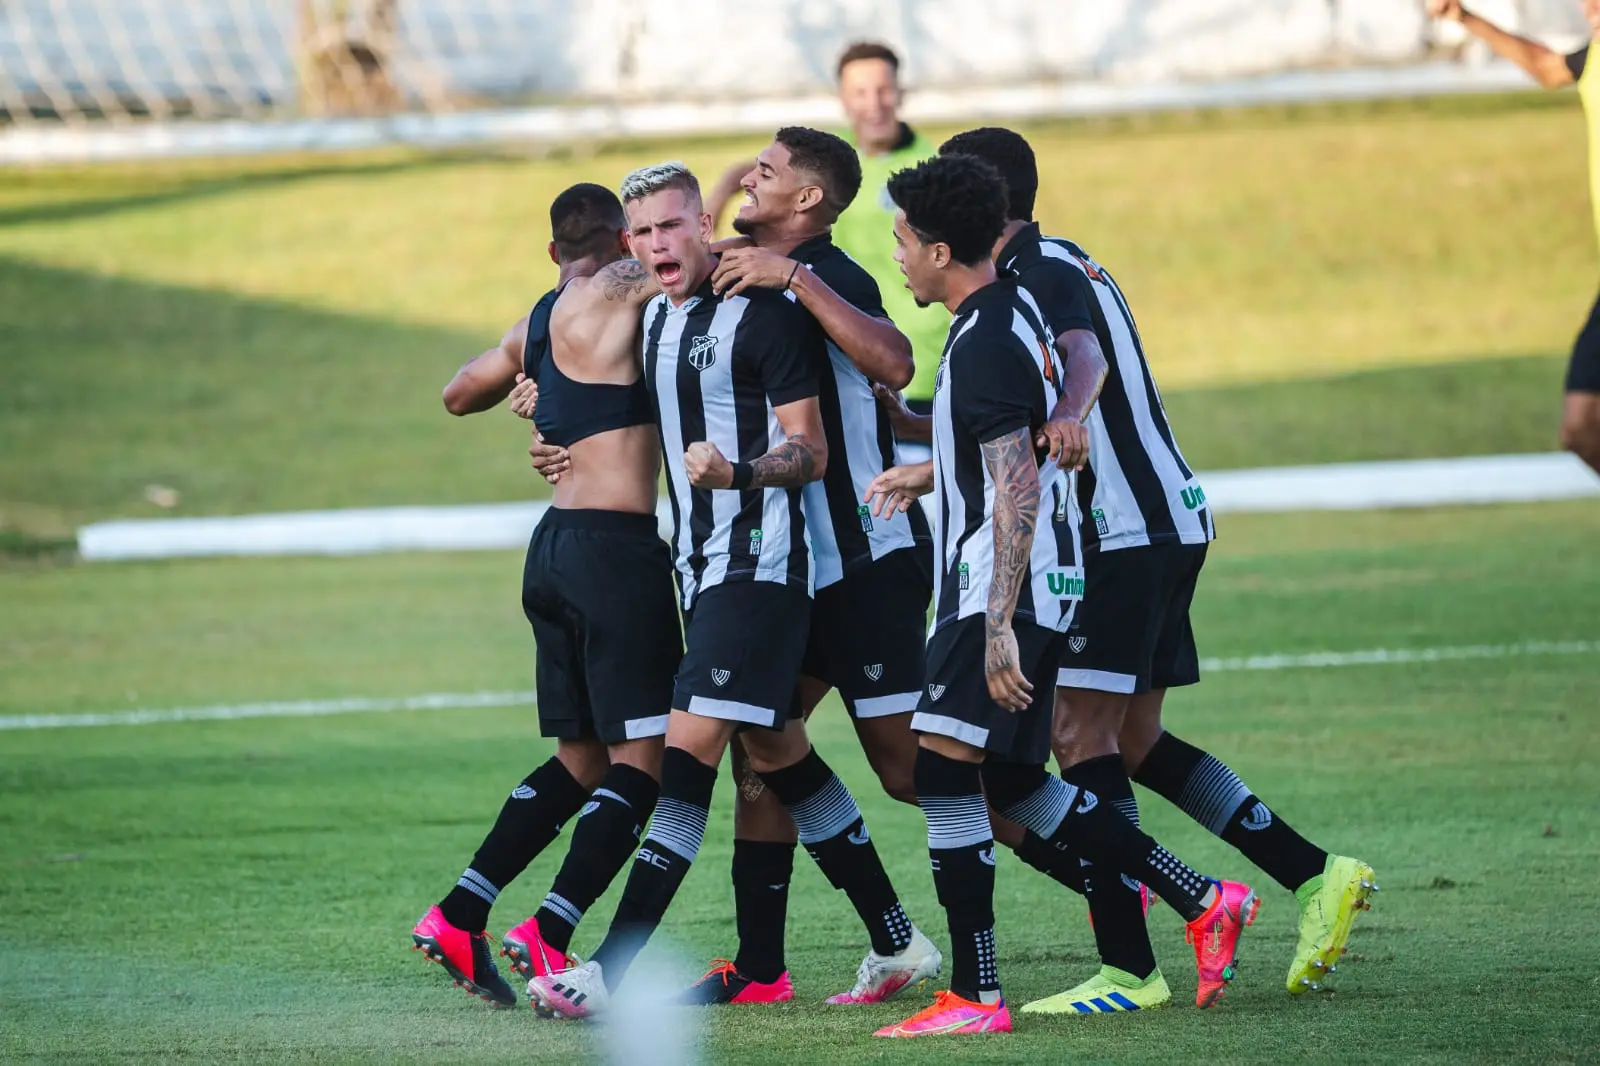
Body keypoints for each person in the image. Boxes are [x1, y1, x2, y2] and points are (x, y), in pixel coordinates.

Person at [932, 127, 1378, 1009]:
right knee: (1131, 739)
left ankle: (1131, 967)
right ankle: (1314, 873)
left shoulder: (1035, 269)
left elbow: (1086, 357)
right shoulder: (1065, 260)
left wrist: (1066, 416)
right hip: (1161, 517)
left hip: (1121, 527)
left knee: (1076, 736)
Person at [866, 153, 1257, 1040]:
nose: (897, 256)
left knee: (944, 770)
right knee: (1007, 776)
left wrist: (999, 620)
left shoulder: (986, 338)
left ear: (938, 251)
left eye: (901, 240)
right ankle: (1203, 897)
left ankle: (976, 996)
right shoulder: (1009, 314)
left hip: (1002, 583)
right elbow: (1013, 454)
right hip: (1038, 576)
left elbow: (1017, 488)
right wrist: (934, 473)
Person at [525, 163, 914, 1022]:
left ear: (705, 225)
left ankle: (608, 970)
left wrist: (738, 472)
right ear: (627, 246)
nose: (658, 243)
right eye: (642, 232)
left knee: (686, 756)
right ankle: (896, 938)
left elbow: (809, 450)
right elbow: (599, 399)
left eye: (672, 225)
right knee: (774, 754)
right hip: (698, 571)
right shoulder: (654, 318)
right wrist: (546, 418)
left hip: (762, 570)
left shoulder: (762, 312)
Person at [672, 126, 941, 1005]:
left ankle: (1103, 866)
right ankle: (764, 966)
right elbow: (660, 262)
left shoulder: (828, 273)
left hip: (866, 559)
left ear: (809, 198)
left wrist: (795, 279)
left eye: (769, 170)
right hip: (792, 569)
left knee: (907, 771)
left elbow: (897, 361)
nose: (753, 177)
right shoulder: (740, 267)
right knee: (763, 743)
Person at [412, 183, 679, 1007]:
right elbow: (689, 260)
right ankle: (550, 927)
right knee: (646, 763)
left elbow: (459, 392)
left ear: (552, 252)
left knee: (581, 761)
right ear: (623, 239)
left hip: (553, 549)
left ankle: (460, 913)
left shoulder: (536, 320)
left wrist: (536, 388)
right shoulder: (626, 287)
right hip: (615, 552)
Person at [706, 42, 950, 457]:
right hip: (838, 354)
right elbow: (758, 200)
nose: (874, 104)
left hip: (922, 363)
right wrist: (722, 194)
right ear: (843, 98)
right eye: (860, 92)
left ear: (900, 92)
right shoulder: (829, 163)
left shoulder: (931, 168)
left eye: (883, 90)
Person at [1427, 0, 1600, 473]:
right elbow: (1546, 68)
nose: (1589, 7)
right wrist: (1464, 17)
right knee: (1580, 426)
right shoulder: (1593, 58)